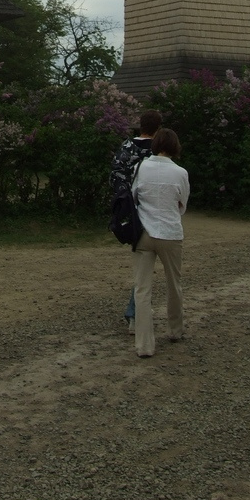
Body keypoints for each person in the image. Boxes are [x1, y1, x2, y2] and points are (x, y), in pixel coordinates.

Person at [131, 127, 189, 358]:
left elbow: (134, 197)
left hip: (143, 233)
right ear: (174, 147)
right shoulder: (181, 173)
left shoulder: (139, 168)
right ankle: (175, 329)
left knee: (142, 289)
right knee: (174, 284)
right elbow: (182, 204)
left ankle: (144, 345)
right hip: (170, 233)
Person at [111, 109, 162, 333]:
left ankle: (135, 311)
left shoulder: (125, 147)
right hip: (154, 212)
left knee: (142, 264)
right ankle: (135, 313)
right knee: (145, 268)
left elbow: (116, 177)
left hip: (131, 211)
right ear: (158, 129)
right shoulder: (159, 152)